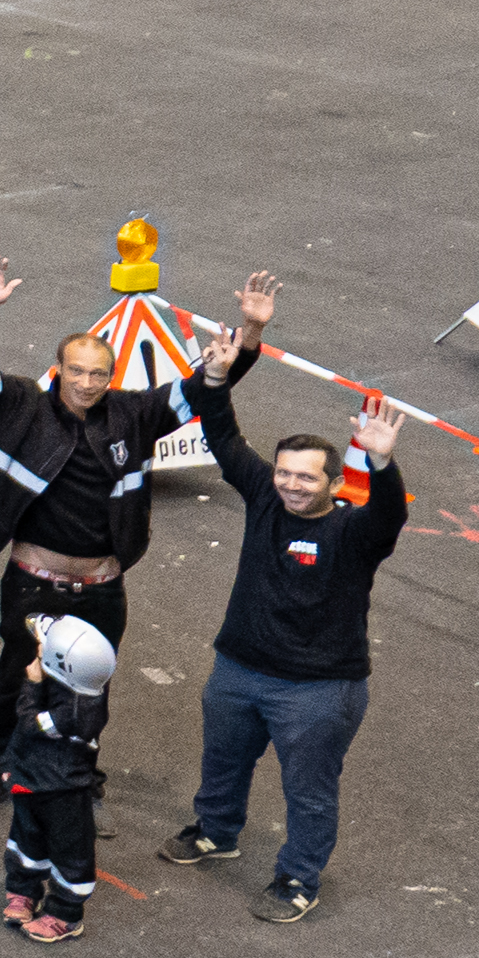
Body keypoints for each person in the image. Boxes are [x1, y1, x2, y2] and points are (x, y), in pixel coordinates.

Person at [168, 275, 407, 924]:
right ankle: (215, 832)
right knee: (222, 758)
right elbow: (221, 440)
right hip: (239, 668)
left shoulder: (353, 532)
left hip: (318, 689)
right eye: (283, 473)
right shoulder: (262, 500)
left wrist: (383, 463)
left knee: (308, 792)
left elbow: (388, 517)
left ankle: (298, 878)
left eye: (306, 477)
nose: (291, 486)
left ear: (332, 481)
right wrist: (217, 377)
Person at [0, 254, 176, 820]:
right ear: (58, 369)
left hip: (102, 589)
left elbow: (205, 389)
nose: (88, 383)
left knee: (92, 690)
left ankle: (80, 777)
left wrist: (246, 343)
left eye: (99, 374)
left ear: (111, 377)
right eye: (77, 371)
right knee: (14, 678)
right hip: (32, 585)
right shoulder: (22, 404)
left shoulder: (135, 416)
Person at [0, 614, 115, 944]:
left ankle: (65, 914)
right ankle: (23, 891)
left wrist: (33, 683)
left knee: (70, 852)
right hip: (32, 779)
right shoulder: (75, 679)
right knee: (26, 840)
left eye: (42, 647)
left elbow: (27, 722)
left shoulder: (77, 713)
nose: (37, 648)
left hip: (61, 789)